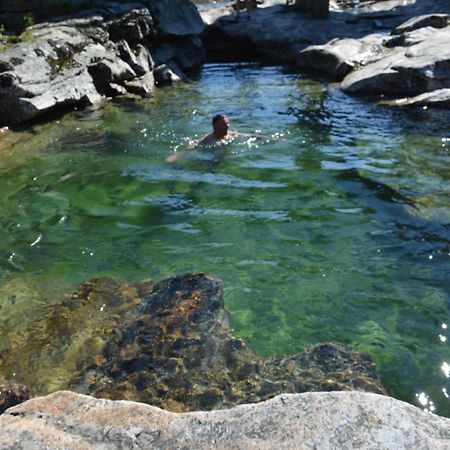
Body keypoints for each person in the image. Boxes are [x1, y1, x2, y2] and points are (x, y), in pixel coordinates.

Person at [166, 114, 265, 162]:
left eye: (227, 124)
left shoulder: (231, 134)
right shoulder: (208, 139)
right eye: (223, 124)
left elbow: (250, 136)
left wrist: (270, 138)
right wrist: (176, 156)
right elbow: (192, 146)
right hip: (210, 158)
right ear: (215, 127)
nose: (227, 126)